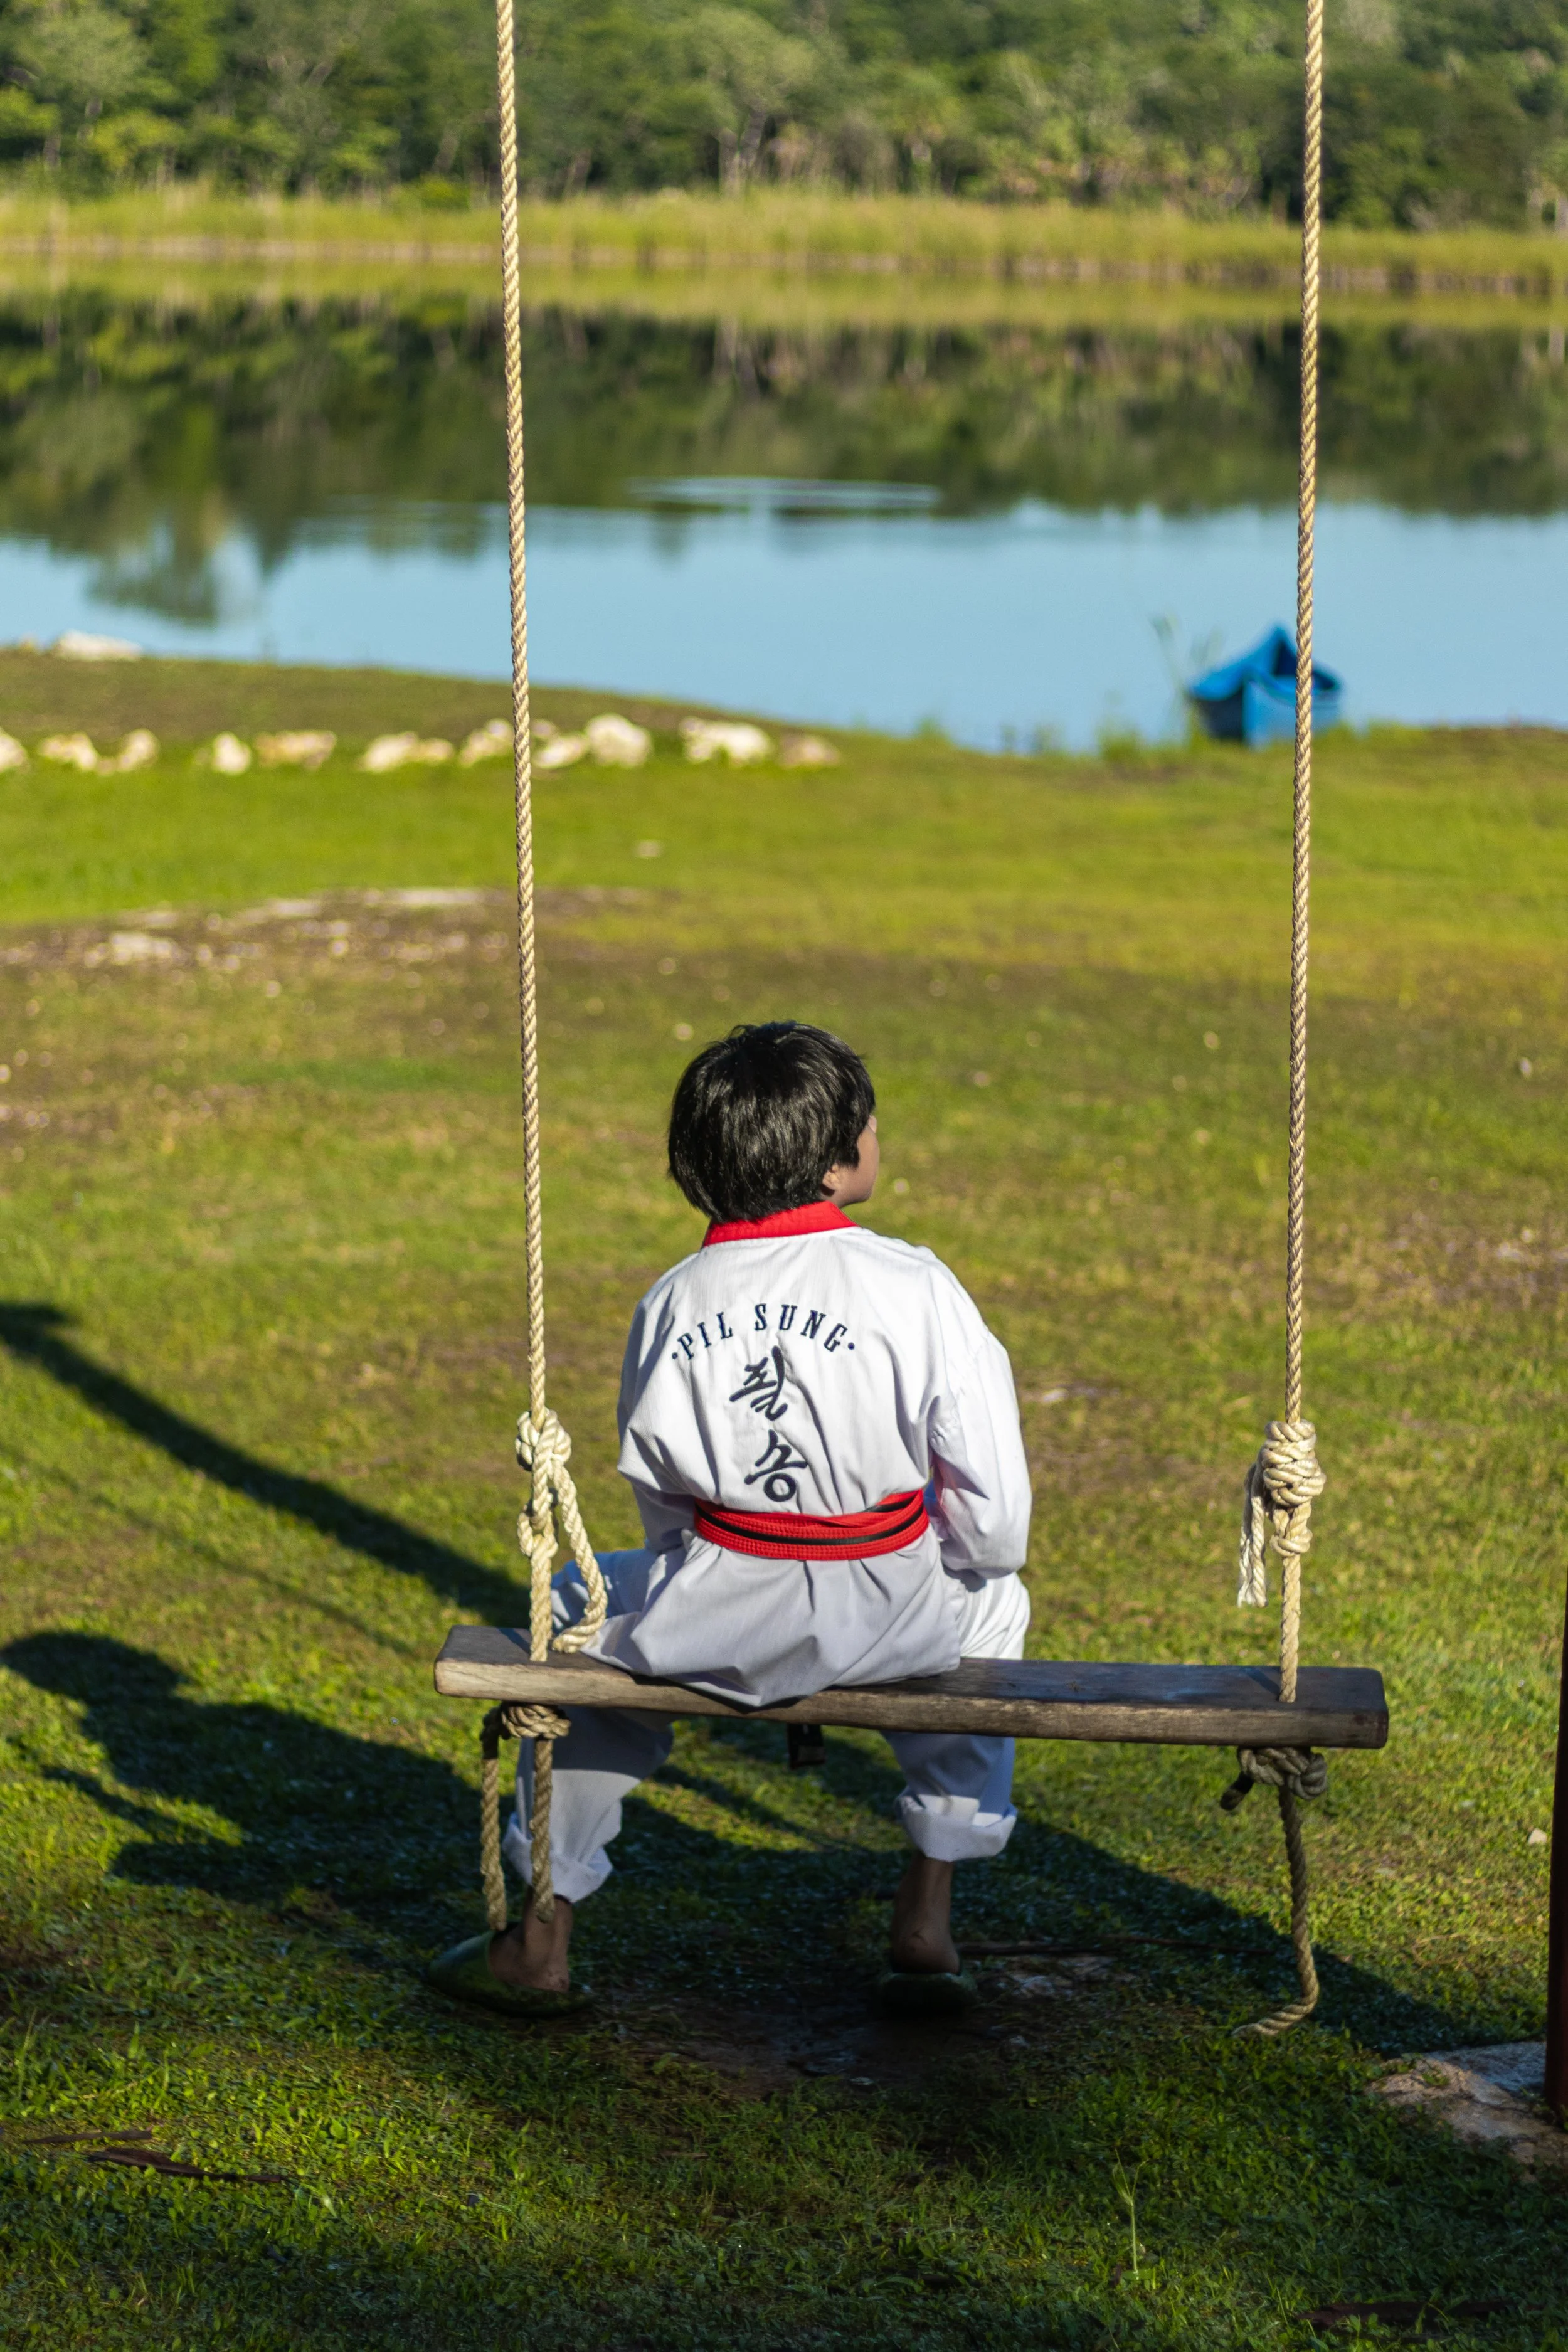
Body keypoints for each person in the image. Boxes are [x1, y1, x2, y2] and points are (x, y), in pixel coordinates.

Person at [461, 1020, 1031, 2012]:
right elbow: (996, 1522)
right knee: (996, 1602)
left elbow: (665, 1508)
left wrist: (732, 1578)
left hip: (712, 1621)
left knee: (577, 1620)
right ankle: (930, 1906)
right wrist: (916, 1556)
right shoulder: (918, 1286)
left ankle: (543, 1932)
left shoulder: (674, 1302)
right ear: (839, 1156)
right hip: (894, 1621)